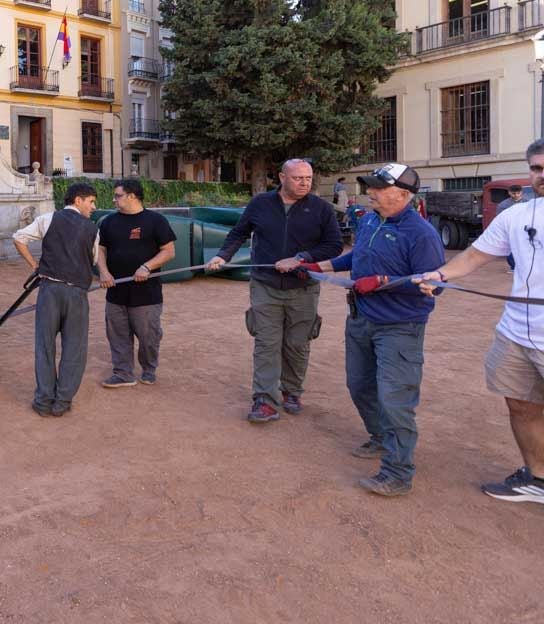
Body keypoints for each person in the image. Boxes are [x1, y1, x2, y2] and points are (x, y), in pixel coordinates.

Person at [302, 163, 445, 497]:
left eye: (379, 189)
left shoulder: (421, 234)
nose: (371, 194)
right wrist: (313, 266)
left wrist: (384, 283)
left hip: (399, 327)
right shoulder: (369, 221)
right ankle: (380, 437)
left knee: (395, 399)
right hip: (361, 319)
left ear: (404, 195)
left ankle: (398, 472)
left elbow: (435, 286)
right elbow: (356, 258)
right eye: (371, 187)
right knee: (359, 385)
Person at [414, 143, 544, 505]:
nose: (541, 175)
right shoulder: (516, 216)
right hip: (517, 332)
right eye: (536, 168)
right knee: (521, 406)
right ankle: (538, 478)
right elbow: (474, 255)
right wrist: (440, 274)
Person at [207, 159, 343, 422]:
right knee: (266, 343)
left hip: (304, 287)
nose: (304, 183)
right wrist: (223, 256)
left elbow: (334, 246)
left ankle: (292, 391)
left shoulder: (321, 208)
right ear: (282, 177)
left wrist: (301, 258)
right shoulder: (260, 204)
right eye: (297, 178)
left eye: (308, 178)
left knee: (297, 344)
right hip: (265, 285)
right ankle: (265, 400)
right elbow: (238, 233)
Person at [13, 183, 100, 417]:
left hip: (49, 289)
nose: (93, 206)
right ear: (78, 200)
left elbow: (19, 238)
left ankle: (43, 400)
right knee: (74, 348)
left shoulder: (48, 219)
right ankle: (62, 401)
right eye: (91, 201)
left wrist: (35, 265)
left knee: (45, 346)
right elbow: (92, 260)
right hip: (77, 294)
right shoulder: (92, 229)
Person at [95, 178, 176, 387]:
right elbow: (101, 250)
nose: (114, 199)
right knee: (117, 334)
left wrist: (147, 267)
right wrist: (103, 272)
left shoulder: (155, 221)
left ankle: (149, 368)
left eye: (118, 195)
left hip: (146, 293)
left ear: (132, 196)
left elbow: (168, 251)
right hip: (115, 290)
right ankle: (123, 373)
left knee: (149, 336)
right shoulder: (109, 222)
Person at [496, 184, 526, 272]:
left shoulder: (528, 203)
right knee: (512, 249)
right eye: (514, 193)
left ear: (521, 193)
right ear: (509, 193)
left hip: (524, 229)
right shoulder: (503, 205)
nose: (516, 195)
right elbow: (500, 219)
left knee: (524, 248)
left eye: (518, 193)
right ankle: (513, 266)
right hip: (510, 230)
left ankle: (522, 266)